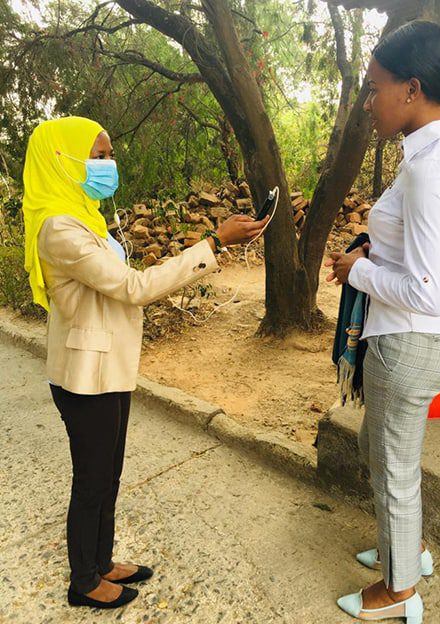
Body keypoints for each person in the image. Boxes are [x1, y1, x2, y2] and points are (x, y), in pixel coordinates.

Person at [22, 116, 269, 610]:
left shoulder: (86, 216)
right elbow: (133, 288)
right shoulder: (59, 228)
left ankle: (101, 559)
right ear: (60, 159)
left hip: (108, 366)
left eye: (109, 154)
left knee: (108, 472)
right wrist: (214, 244)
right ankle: (83, 580)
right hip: (84, 376)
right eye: (96, 155)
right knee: (91, 477)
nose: (107, 164)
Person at [325, 21, 440, 624]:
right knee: (381, 446)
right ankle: (409, 548)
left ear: (412, 88)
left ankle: (396, 591)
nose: (368, 102)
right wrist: (388, 257)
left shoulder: (427, 168)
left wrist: (357, 269)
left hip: (411, 339)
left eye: (374, 88)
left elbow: (423, 291)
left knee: (391, 463)